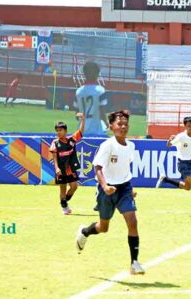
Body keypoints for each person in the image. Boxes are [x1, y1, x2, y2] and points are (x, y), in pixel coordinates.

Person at [75, 110, 144, 275]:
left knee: (132, 221)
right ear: (111, 127)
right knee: (103, 227)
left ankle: (134, 263)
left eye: (126, 124)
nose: (123, 126)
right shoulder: (108, 145)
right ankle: (85, 232)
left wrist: (130, 188)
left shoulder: (131, 146)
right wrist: (105, 186)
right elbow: (98, 168)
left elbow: (125, 168)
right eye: (119, 124)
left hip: (124, 188)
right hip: (107, 190)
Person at [50, 113, 85, 215]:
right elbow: (54, 157)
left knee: (74, 187)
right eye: (57, 131)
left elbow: (80, 132)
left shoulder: (71, 140)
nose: (58, 132)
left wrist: (82, 120)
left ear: (65, 131)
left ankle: (64, 200)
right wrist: (56, 168)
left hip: (70, 169)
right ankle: (64, 206)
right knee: (63, 188)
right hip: (60, 170)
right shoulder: (55, 143)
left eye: (60, 130)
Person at [75, 61, 108, 137]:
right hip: (96, 130)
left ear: (84, 73)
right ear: (97, 74)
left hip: (81, 130)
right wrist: (106, 123)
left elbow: (77, 115)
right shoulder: (100, 90)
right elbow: (102, 111)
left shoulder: (78, 92)